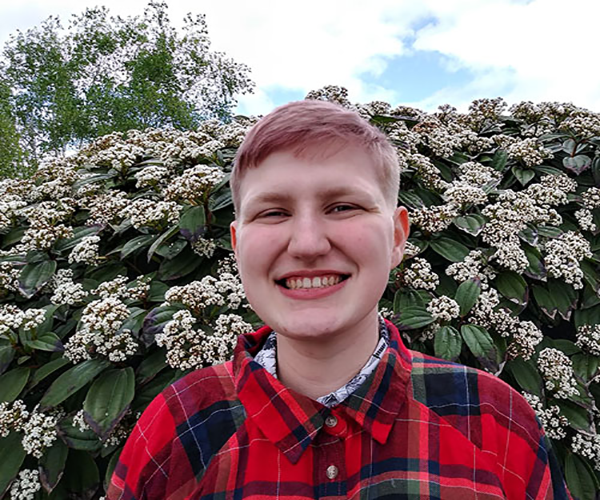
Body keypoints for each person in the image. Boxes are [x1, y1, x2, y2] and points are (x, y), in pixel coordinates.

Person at [107, 100, 570, 499]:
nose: (307, 244)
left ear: (396, 237)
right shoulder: (176, 425)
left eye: (342, 206)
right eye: (273, 212)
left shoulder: (492, 419)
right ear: (237, 243)